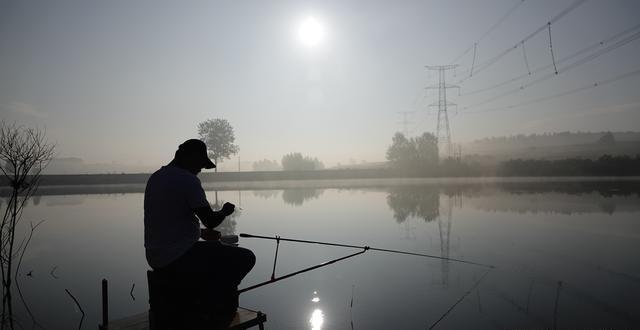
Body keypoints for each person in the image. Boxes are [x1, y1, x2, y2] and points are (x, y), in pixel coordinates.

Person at [144, 139, 255, 327]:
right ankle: (216, 304)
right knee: (245, 257)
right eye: (201, 165)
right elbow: (211, 221)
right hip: (178, 257)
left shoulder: (156, 177)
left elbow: (166, 219)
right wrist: (224, 211)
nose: (201, 170)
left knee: (216, 251)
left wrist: (198, 232)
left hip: (156, 256)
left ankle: (203, 298)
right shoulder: (187, 179)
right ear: (191, 158)